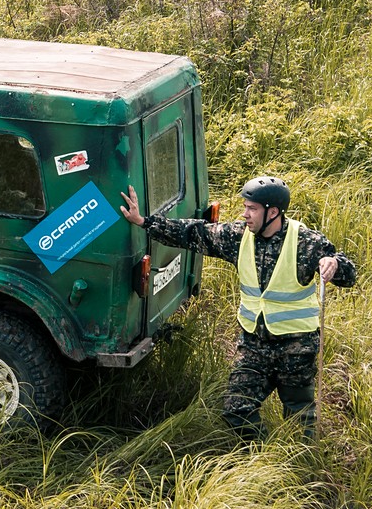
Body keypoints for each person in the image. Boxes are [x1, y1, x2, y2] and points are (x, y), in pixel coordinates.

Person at [119, 176, 355, 441]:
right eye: (245, 207)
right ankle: (263, 454)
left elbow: (348, 273)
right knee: (236, 410)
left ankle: (302, 461)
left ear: (273, 212)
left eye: (252, 209)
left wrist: (334, 264)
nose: (245, 214)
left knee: (300, 419)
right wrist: (144, 222)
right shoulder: (238, 236)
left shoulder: (305, 242)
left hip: (296, 348)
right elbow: (194, 233)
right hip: (255, 346)